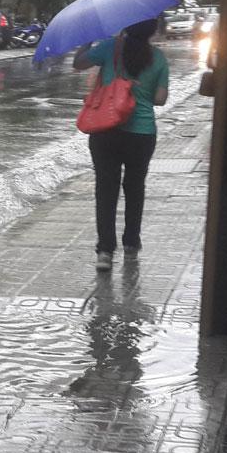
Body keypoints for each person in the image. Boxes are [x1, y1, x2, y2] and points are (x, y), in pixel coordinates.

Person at [73, 18, 169, 271]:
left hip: (106, 129)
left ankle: (105, 251)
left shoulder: (109, 48)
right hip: (142, 133)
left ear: (127, 26)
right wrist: (141, 91)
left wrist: (86, 40)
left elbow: (78, 64)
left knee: (106, 189)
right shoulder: (158, 57)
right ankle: (131, 243)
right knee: (135, 186)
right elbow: (160, 99)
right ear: (152, 30)